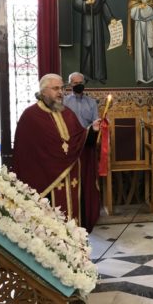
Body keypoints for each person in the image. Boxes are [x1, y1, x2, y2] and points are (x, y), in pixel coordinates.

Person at [13, 74, 101, 225]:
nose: (60, 92)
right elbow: (25, 154)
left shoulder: (67, 113)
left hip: (71, 178)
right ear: (43, 91)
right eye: (55, 88)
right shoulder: (30, 116)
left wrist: (92, 130)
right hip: (46, 179)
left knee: (74, 220)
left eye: (62, 88)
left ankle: (75, 239)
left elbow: (79, 140)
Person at [63, 72, 101, 231]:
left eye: (81, 82)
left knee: (86, 179)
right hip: (70, 147)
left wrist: (96, 126)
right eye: (75, 82)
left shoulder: (91, 103)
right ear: (70, 84)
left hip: (86, 145)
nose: (78, 85)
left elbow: (95, 124)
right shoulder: (64, 102)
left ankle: (87, 214)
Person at [72, 0, 117, 83]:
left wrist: (110, 19)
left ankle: (99, 75)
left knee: (98, 48)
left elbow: (103, 3)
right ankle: (85, 76)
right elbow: (75, 1)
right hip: (87, 20)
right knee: (87, 46)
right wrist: (86, 3)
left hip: (97, 20)